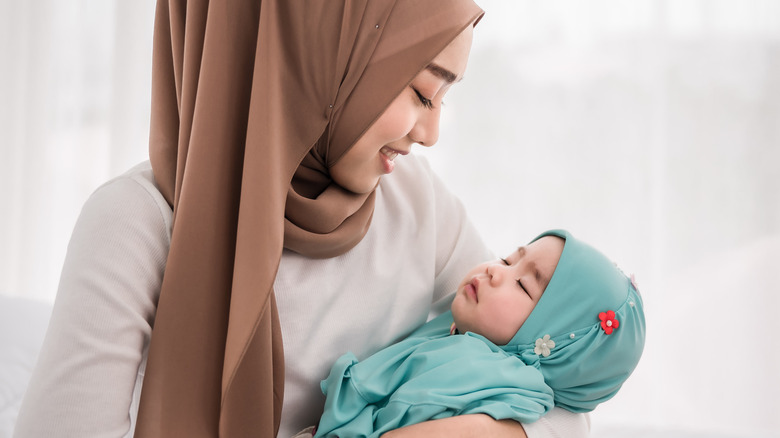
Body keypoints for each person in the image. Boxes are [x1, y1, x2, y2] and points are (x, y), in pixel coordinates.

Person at [15, 1, 591, 437]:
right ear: (323, 56)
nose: (431, 133)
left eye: (444, 98)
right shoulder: (135, 225)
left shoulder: (415, 203)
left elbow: (565, 388)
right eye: (420, 92)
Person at [313, 230, 646, 438]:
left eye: (523, 285)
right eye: (507, 259)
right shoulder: (454, 333)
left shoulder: (488, 383)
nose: (494, 270)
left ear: (556, 350)